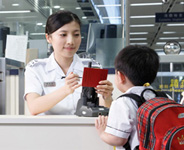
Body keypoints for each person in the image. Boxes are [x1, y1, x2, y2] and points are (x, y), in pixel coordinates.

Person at [24, 10, 113, 115]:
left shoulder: (92, 66)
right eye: (63, 35)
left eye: (76, 34)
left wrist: (107, 97)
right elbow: (34, 107)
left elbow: (103, 109)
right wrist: (65, 90)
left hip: (85, 129)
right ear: (48, 38)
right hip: (49, 130)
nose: (70, 41)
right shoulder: (36, 68)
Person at [95, 45, 161, 150]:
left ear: (120, 76)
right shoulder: (161, 98)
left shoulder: (123, 102)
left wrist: (102, 133)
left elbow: (118, 139)